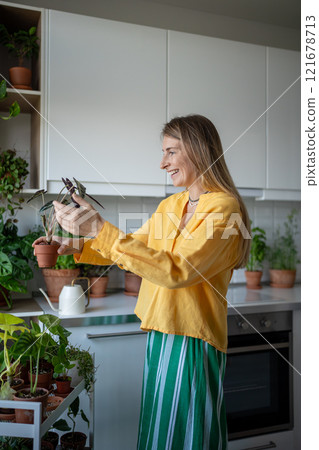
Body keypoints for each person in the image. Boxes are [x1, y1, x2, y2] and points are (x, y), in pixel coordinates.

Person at [33, 114, 251, 449]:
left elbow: (176, 271)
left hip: (192, 338)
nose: (163, 163)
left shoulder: (223, 209)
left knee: (188, 437)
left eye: (171, 152)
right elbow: (138, 247)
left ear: (198, 150)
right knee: (161, 434)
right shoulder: (173, 205)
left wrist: (99, 228)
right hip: (161, 332)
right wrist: (72, 246)